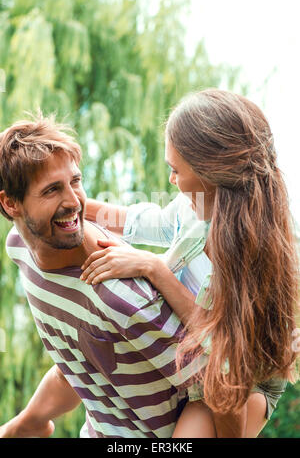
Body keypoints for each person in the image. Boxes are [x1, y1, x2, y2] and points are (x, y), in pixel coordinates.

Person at [0, 113, 249, 439]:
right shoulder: (18, 247)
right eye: (52, 190)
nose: (74, 202)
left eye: (76, 181)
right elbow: (75, 367)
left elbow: (222, 384)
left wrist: (154, 267)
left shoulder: (126, 299)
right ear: (10, 204)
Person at [80, 89, 300, 437]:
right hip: (192, 357)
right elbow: (143, 221)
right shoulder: (195, 207)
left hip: (243, 379)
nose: (170, 181)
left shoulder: (256, 252)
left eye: (175, 170)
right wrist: (75, 202)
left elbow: (220, 343)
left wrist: (154, 268)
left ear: (211, 172)